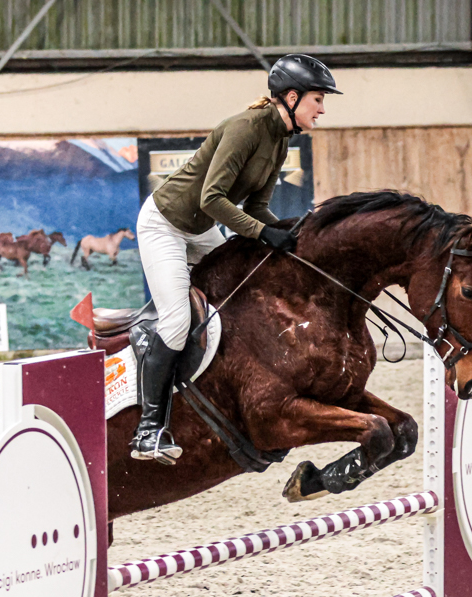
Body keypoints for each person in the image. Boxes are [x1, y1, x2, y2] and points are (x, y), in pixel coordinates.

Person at [130, 54, 341, 464]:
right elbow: (212, 197)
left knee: (247, 297)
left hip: (202, 227)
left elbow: (258, 207)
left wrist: (290, 233)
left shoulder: (280, 139)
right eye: (318, 99)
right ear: (292, 97)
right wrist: (263, 234)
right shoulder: (245, 128)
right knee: (176, 322)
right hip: (165, 225)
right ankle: (148, 430)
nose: (322, 108)